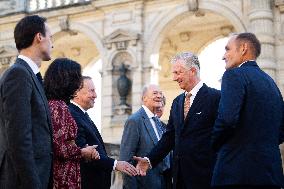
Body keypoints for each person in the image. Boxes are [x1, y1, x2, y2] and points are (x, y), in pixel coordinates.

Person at [134, 52, 220, 189]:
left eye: (178, 73)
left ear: (193, 71)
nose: (174, 78)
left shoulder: (216, 98)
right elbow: (169, 137)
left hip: (207, 177)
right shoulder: (177, 102)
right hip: (180, 179)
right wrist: (149, 160)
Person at [211, 33, 284, 189]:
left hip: (236, 173)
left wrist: (214, 144)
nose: (224, 56)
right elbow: (281, 130)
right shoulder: (271, 83)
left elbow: (227, 120)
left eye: (227, 49)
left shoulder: (233, 75)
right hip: (271, 174)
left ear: (243, 48)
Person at [0, 15, 53, 189]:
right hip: (23, 181)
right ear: (39, 37)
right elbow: (18, 138)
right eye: (50, 37)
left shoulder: (29, 75)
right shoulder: (18, 74)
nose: (52, 44)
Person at [68, 76, 137, 189]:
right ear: (76, 93)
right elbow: (83, 154)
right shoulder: (73, 114)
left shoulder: (82, 114)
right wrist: (115, 164)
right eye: (91, 91)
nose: (95, 95)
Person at [44, 58, 100, 189]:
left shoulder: (53, 104)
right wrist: (83, 152)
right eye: (75, 78)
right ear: (65, 80)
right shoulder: (58, 106)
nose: (77, 84)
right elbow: (61, 147)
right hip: (63, 175)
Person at [120, 84, 171, 189]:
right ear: (144, 98)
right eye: (155, 93)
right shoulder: (134, 121)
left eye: (160, 93)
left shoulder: (159, 122)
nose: (159, 96)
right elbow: (126, 161)